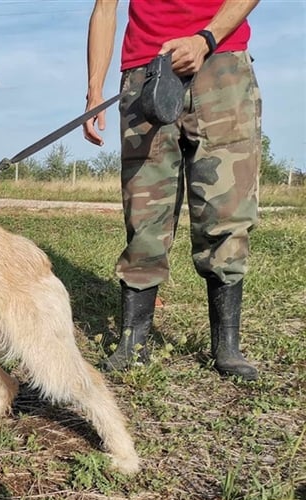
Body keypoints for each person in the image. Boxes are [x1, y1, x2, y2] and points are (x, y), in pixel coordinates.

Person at [83, 0, 261, 381]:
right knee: (144, 210)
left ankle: (227, 345)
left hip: (221, 61)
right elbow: (104, 8)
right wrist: (94, 90)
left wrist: (205, 39)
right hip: (145, 70)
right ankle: (134, 340)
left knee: (227, 208)